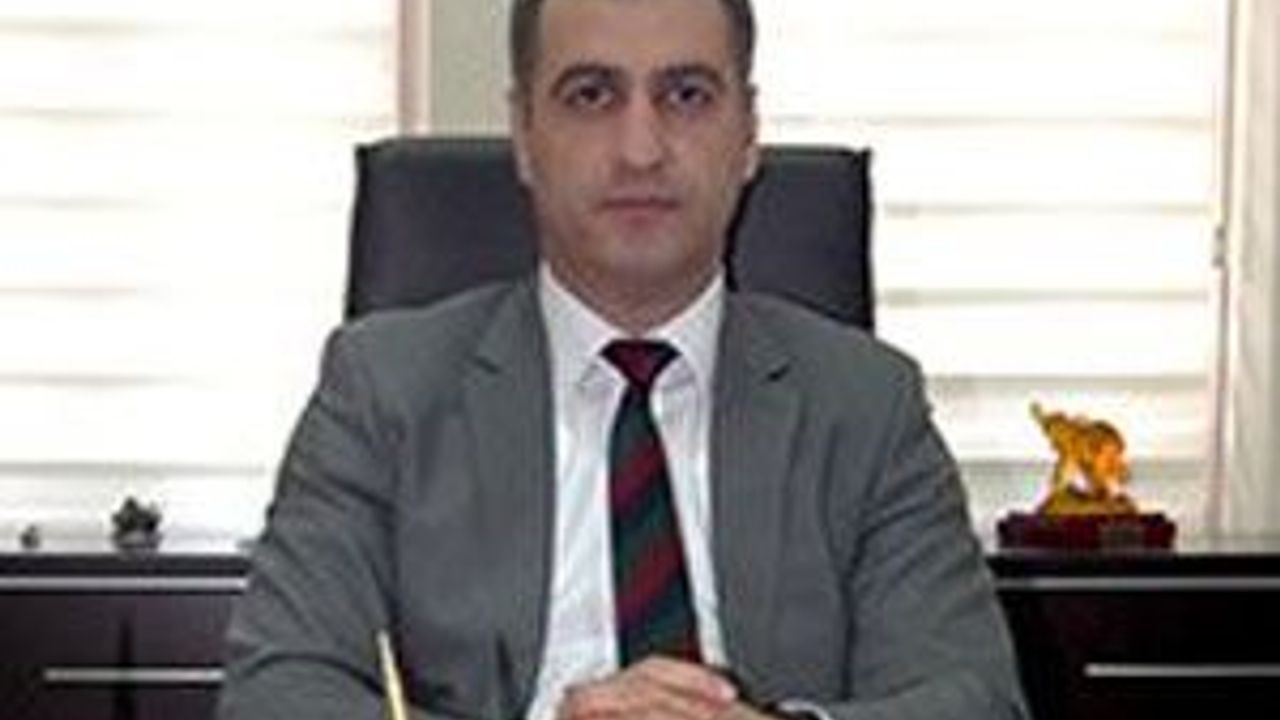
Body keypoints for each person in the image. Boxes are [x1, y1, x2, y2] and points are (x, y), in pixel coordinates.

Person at [218, 0, 1028, 719]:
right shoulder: (382, 391)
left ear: (748, 134)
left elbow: (973, 699)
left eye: (687, 95)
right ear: (524, 136)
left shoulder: (867, 406)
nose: (641, 149)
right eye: (591, 95)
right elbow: (275, 695)